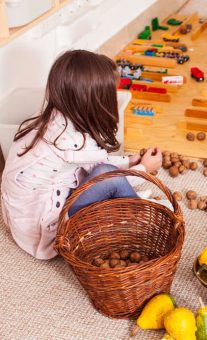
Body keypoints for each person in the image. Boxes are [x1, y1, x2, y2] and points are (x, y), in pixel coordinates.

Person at [1, 50, 163, 260]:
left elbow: (94, 159)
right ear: (96, 102)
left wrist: (128, 161)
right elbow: (108, 175)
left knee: (103, 171)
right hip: (43, 232)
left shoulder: (57, 119)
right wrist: (145, 169)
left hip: (26, 217)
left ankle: (126, 207)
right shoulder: (71, 141)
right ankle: (141, 222)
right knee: (107, 176)